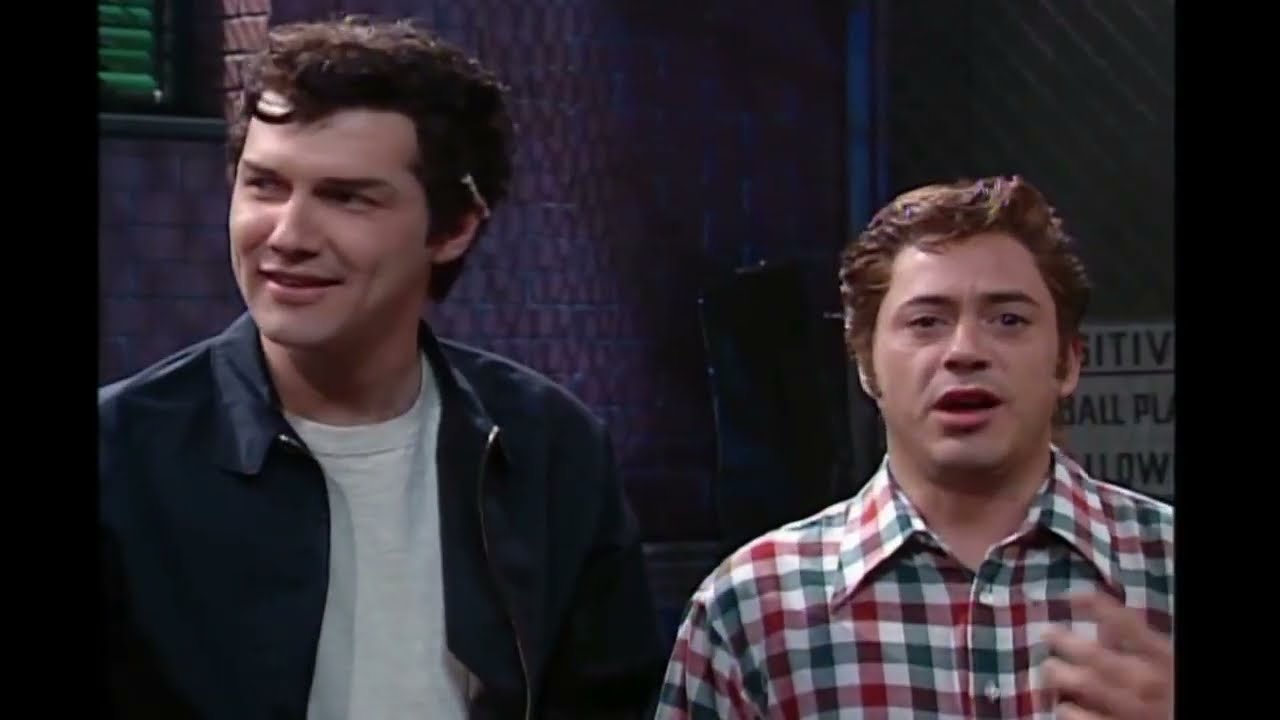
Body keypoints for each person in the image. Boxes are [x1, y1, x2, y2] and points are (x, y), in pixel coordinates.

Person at [99, 16, 666, 720]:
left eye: (347, 197)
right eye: (265, 186)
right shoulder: (119, 457)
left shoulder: (549, 448)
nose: (288, 236)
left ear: (453, 228)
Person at [655, 176, 1174, 719]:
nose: (965, 351)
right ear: (865, 364)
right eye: (926, 322)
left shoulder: (1164, 567)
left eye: (1009, 320)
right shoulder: (751, 611)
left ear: (1067, 362)